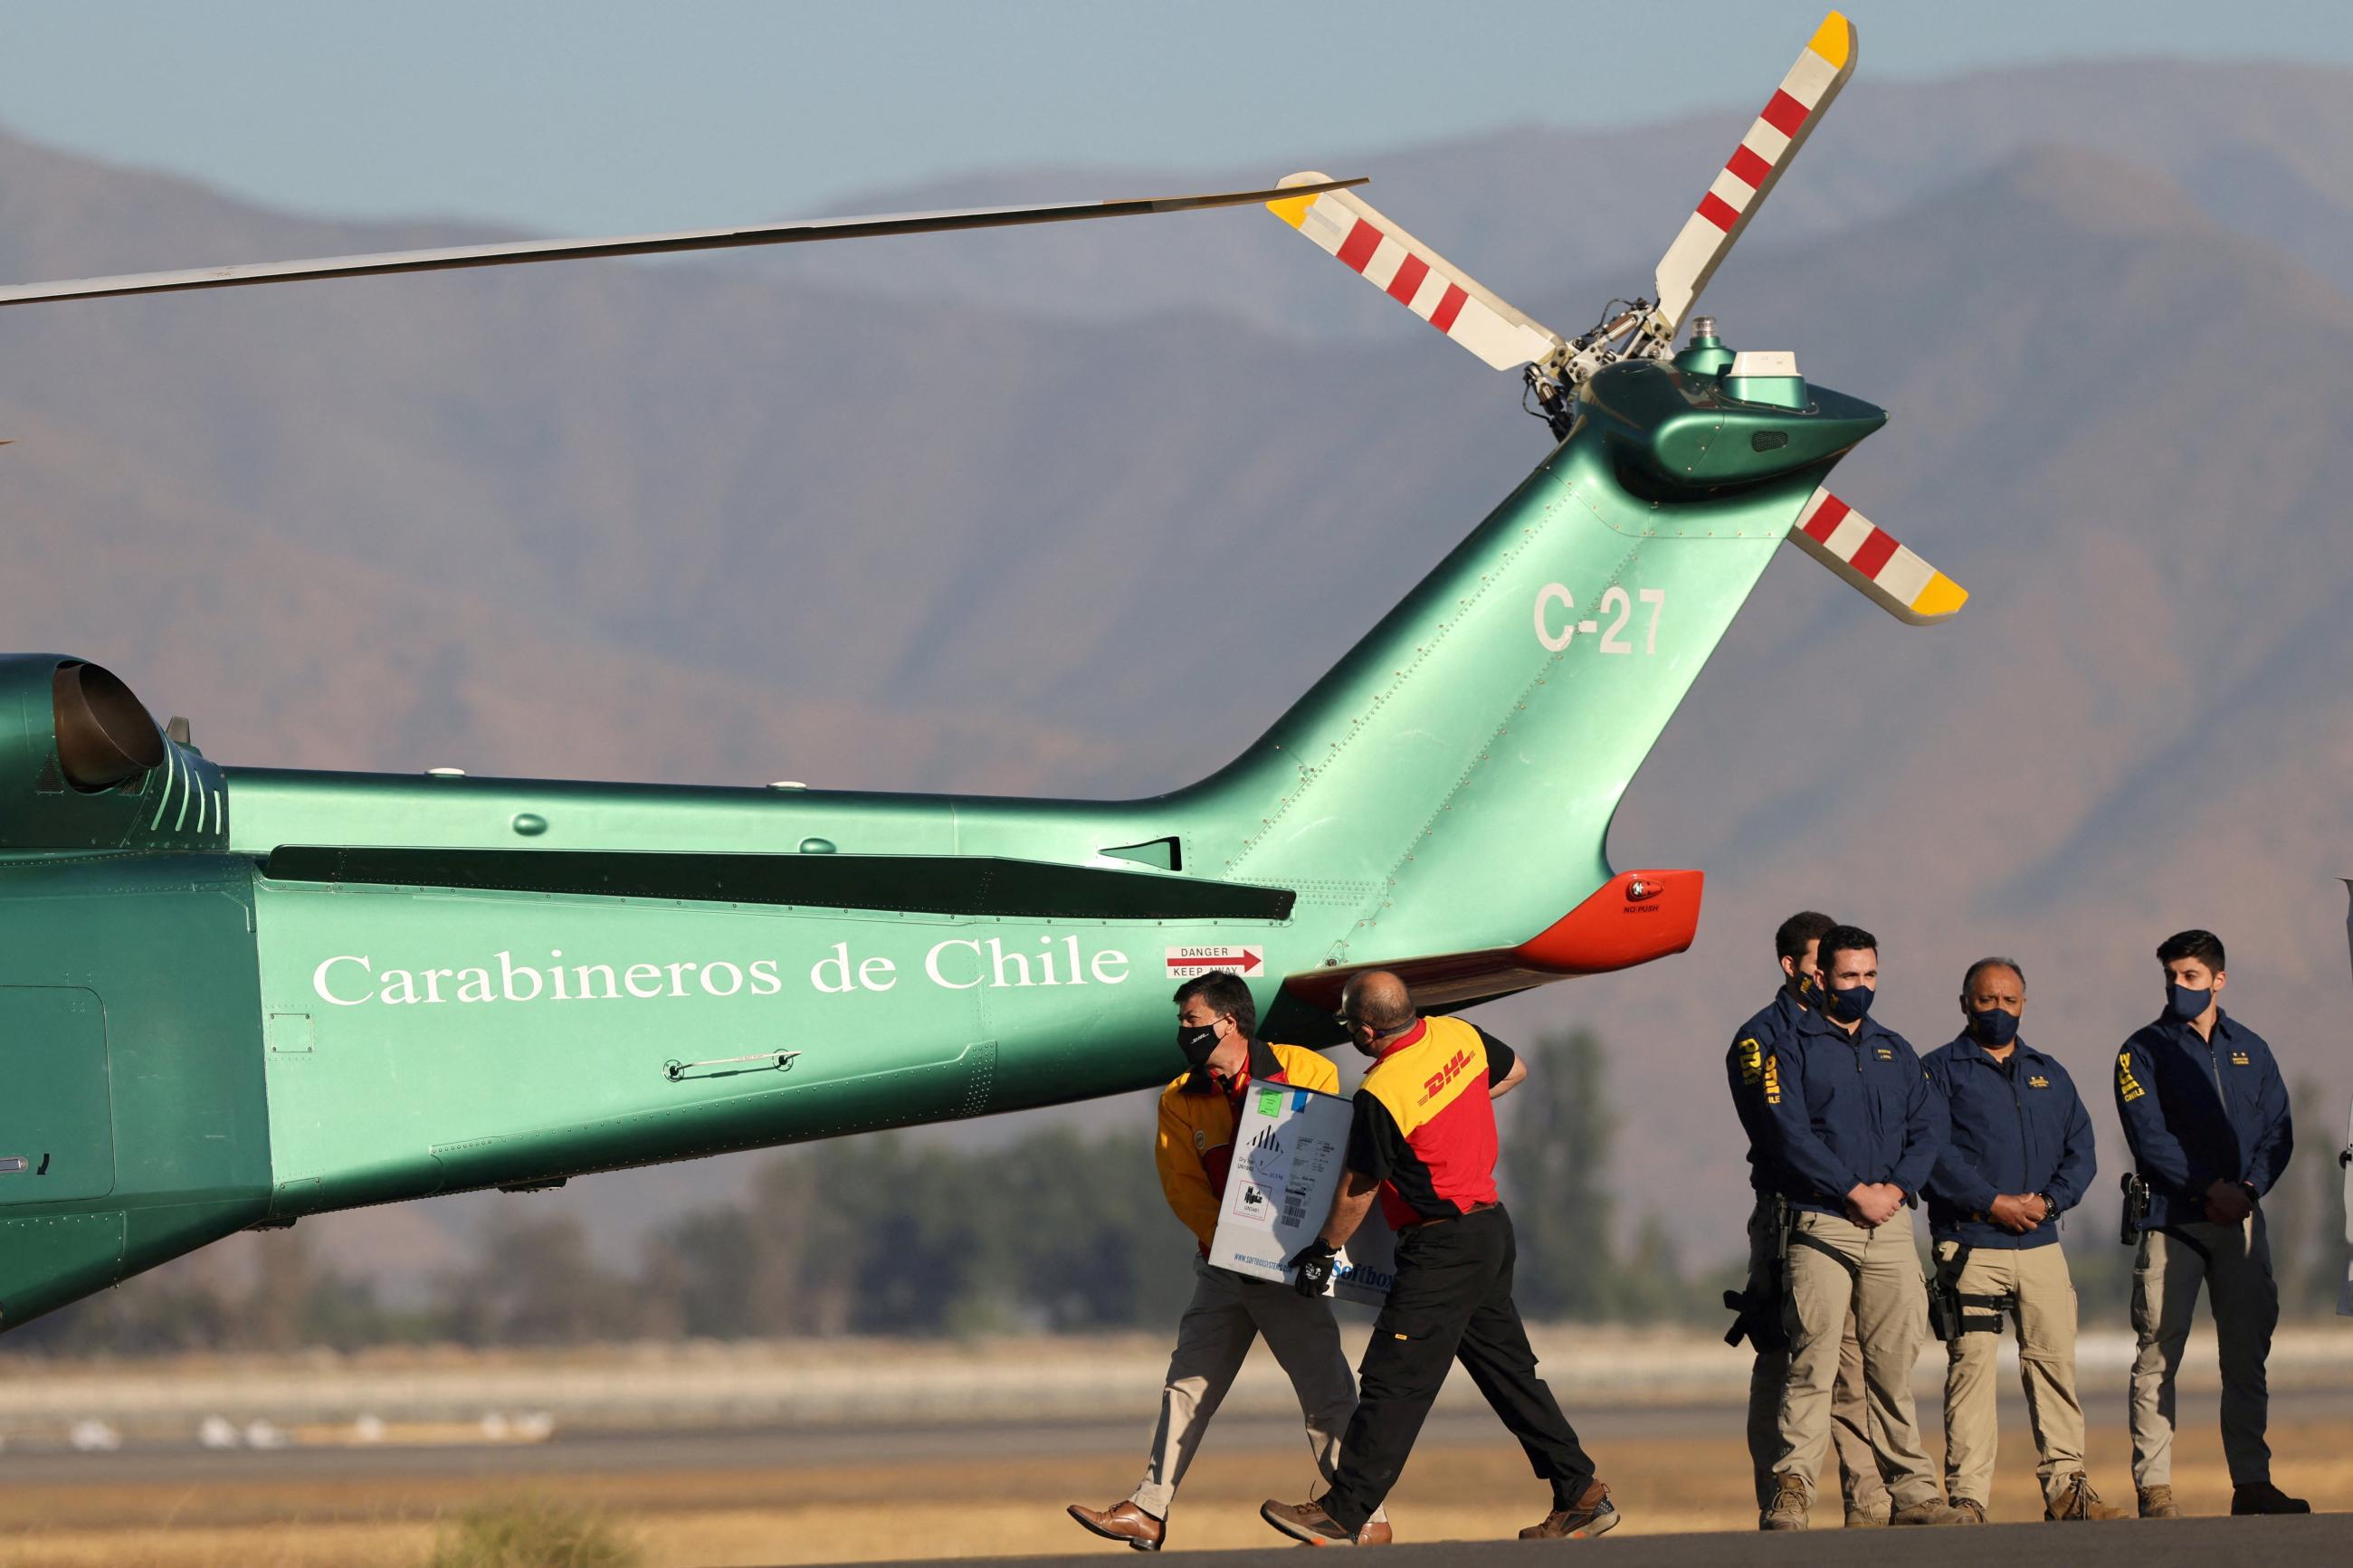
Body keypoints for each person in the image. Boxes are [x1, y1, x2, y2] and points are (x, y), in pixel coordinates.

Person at [1259, 970, 1618, 1545]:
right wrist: (1451, 1109)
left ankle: (1344, 1511)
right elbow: (1515, 1070)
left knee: (1393, 1378)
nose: (1350, 1032)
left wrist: (1324, 1251)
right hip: (1489, 1231)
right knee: (1509, 1375)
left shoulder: (1383, 1090)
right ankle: (1580, 1494)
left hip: (1443, 1247)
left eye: (1349, 1024)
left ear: (1367, 1030)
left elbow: (1359, 1187)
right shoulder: (1458, 1037)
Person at [1067, 970, 1392, 1551]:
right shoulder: (1178, 1097)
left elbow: (1319, 1158)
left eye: (1190, 1020)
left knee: (1324, 1390)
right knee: (1187, 1384)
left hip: (1287, 1265)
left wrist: (1277, 1248)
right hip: (1222, 1263)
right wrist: (1232, 1242)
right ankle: (1148, 1509)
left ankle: (1365, 1517)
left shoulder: (1306, 1069)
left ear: (1228, 1022)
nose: (1182, 1031)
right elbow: (1182, 1187)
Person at [1758, 923, 1961, 1530]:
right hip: (1822, 1221)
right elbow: (1787, 1132)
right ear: (1819, 977)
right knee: (1813, 1361)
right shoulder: (1790, 1046)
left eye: (1870, 975)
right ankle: (1793, 1492)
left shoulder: (1895, 1050)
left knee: (1893, 1364)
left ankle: (1915, 1492)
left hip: (1892, 1225)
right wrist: (1851, 1189)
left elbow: (1929, 1128)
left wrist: (1894, 1190)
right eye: (1849, 976)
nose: (1861, 987)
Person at [1921, 956, 2122, 1522]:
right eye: (1987, 1000)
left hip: (2040, 1249)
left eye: (2009, 1001)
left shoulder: (2049, 1072)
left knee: (2054, 1365)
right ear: (1965, 1003)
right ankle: (1967, 1498)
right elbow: (1933, 1153)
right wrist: (1993, 1202)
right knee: (1971, 1372)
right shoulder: (1937, 1071)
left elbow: (2080, 1149)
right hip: (1970, 1248)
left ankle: (2068, 1490)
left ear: (2024, 1005)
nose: (1999, 1010)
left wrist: (2050, 1201)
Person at [2114, 928, 2306, 1518]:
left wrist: (2246, 1190)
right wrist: (2206, 1188)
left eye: (2191, 976)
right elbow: (2148, 1134)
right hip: (2173, 1221)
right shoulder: (2140, 1051)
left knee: (2246, 1356)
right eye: (2171, 976)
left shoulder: (2252, 1048)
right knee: (2157, 1355)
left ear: (2218, 979)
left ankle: (2252, 1482)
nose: (2179, 986)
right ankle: (2156, 1489)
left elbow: (2279, 1132)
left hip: (2241, 1223)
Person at [1725, 908, 1893, 1527]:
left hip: (1855, 1213)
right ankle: (1780, 1493)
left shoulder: (1855, 1035)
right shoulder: (1760, 1038)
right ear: (1794, 966)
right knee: (1782, 1351)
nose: (1833, 977)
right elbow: (1776, 1130)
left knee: (1854, 1353)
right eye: (1821, 964)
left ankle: (1869, 1496)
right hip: (1785, 1212)